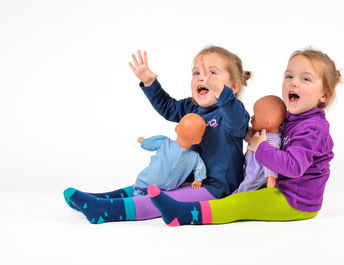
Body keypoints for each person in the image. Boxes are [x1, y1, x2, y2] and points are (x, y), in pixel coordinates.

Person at [148, 48, 342, 226]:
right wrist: (253, 136)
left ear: (324, 95)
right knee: (243, 191)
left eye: (305, 79)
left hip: (296, 201)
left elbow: (293, 167)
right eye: (289, 76)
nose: (294, 82)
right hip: (279, 188)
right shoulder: (294, 118)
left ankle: (182, 214)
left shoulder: (313, 129)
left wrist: (261, 147)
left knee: (236, 203)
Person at [63, 46, 251, 224]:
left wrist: (221, 92)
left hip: (216, 188)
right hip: (187, 179)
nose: (203, 79)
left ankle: (106, 211)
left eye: (212, 74)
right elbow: (168, 107)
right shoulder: (191, 107)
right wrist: (149, 82)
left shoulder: (233, 114)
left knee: (161, 199)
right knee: (148, 186)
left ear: (232, 87)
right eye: (197, 73)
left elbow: (236, 121)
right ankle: (101, 199)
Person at [134, 113, 207, 196]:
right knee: (145, 183)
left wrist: (143, 141)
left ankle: (138, 194)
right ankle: (142, 194)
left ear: (176, 129)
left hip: (152, 179)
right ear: (198, 140)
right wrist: (198, 180)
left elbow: (150, 143)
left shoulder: (164, 142)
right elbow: (200, 168)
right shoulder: (194, 157)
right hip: (171, 185)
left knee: (142, 181)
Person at [234, 95, 286, 193]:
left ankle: (236, 198)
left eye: (255, 115)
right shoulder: (263, 132)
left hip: (257, 173)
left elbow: (272, 160)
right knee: (244, 182)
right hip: (250, 168)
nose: (252, 117)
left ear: (267, 123)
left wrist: (271, 177)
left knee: (246, 187)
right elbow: (250, 138)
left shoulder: (273, 140)